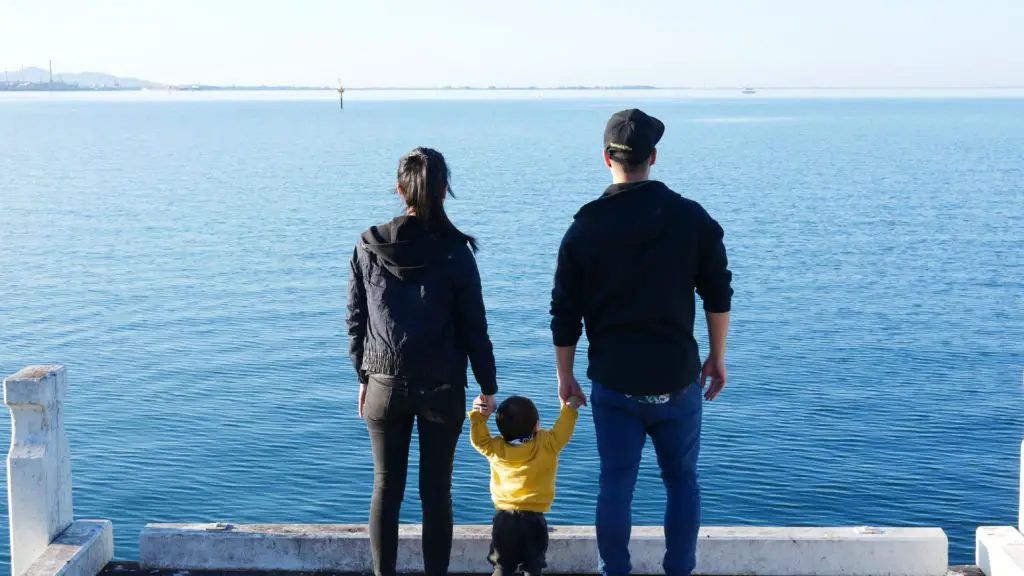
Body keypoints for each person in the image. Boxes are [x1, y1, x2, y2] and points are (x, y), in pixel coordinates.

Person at [549, 109, 733, 576]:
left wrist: (564, 375)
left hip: (615, 383)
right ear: (653, 157)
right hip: (677, 380)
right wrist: (717, 356)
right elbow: (717, 291)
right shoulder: (691, 219)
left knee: (615, 484)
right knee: (682, 482)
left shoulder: (584, 229)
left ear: (606, 158)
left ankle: (616, 572)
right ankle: (679, 571)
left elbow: (564, 313)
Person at [346, 147, 499, 576]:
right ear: (444, 191)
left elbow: (356, 319)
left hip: (383, 384)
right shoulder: (455, 252)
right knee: (436, 494)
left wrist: (363, 375)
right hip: (442, 387)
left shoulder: (367, 245)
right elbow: (475, 328)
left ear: (399, 190)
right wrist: (488, 386)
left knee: (385, 489)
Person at [468, 394, 582, 576]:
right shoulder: (546, 444)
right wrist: (569, 408)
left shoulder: (495, 449)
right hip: (534, 520)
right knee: (533, 567)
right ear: (536, 425)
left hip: (504, 520)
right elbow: (563, 431)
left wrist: (479, 415)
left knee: (502, 566)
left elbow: (478, 440)